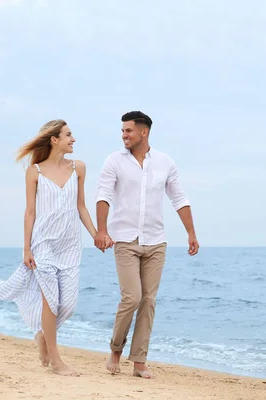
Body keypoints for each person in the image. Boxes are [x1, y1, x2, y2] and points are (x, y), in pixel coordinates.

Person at [0, 119, 101, 376]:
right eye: (68, 135)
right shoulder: (35, 172)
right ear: (54, 139)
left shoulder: (79, 168)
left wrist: (96, 234)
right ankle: (56, 361)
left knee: (68, 305)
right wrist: (26, 249)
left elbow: (81, 207)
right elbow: (30, 212)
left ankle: (42, 337)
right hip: (43, 243)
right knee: (50, 303)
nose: (73, 139)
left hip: (69, 245)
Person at [94, 111, 199, 379]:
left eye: (128, 131)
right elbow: (103, 195)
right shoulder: (114, 161)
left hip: (156, 242)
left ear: (144, 132)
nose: (124, 135)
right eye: (122, 131)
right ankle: (116, 350)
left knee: (149, 301)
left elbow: (179, 198)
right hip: (125, 240)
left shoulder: (165, 162)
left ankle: (139, 361)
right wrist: (102, 230)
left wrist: (191, 233)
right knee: (132, 297)